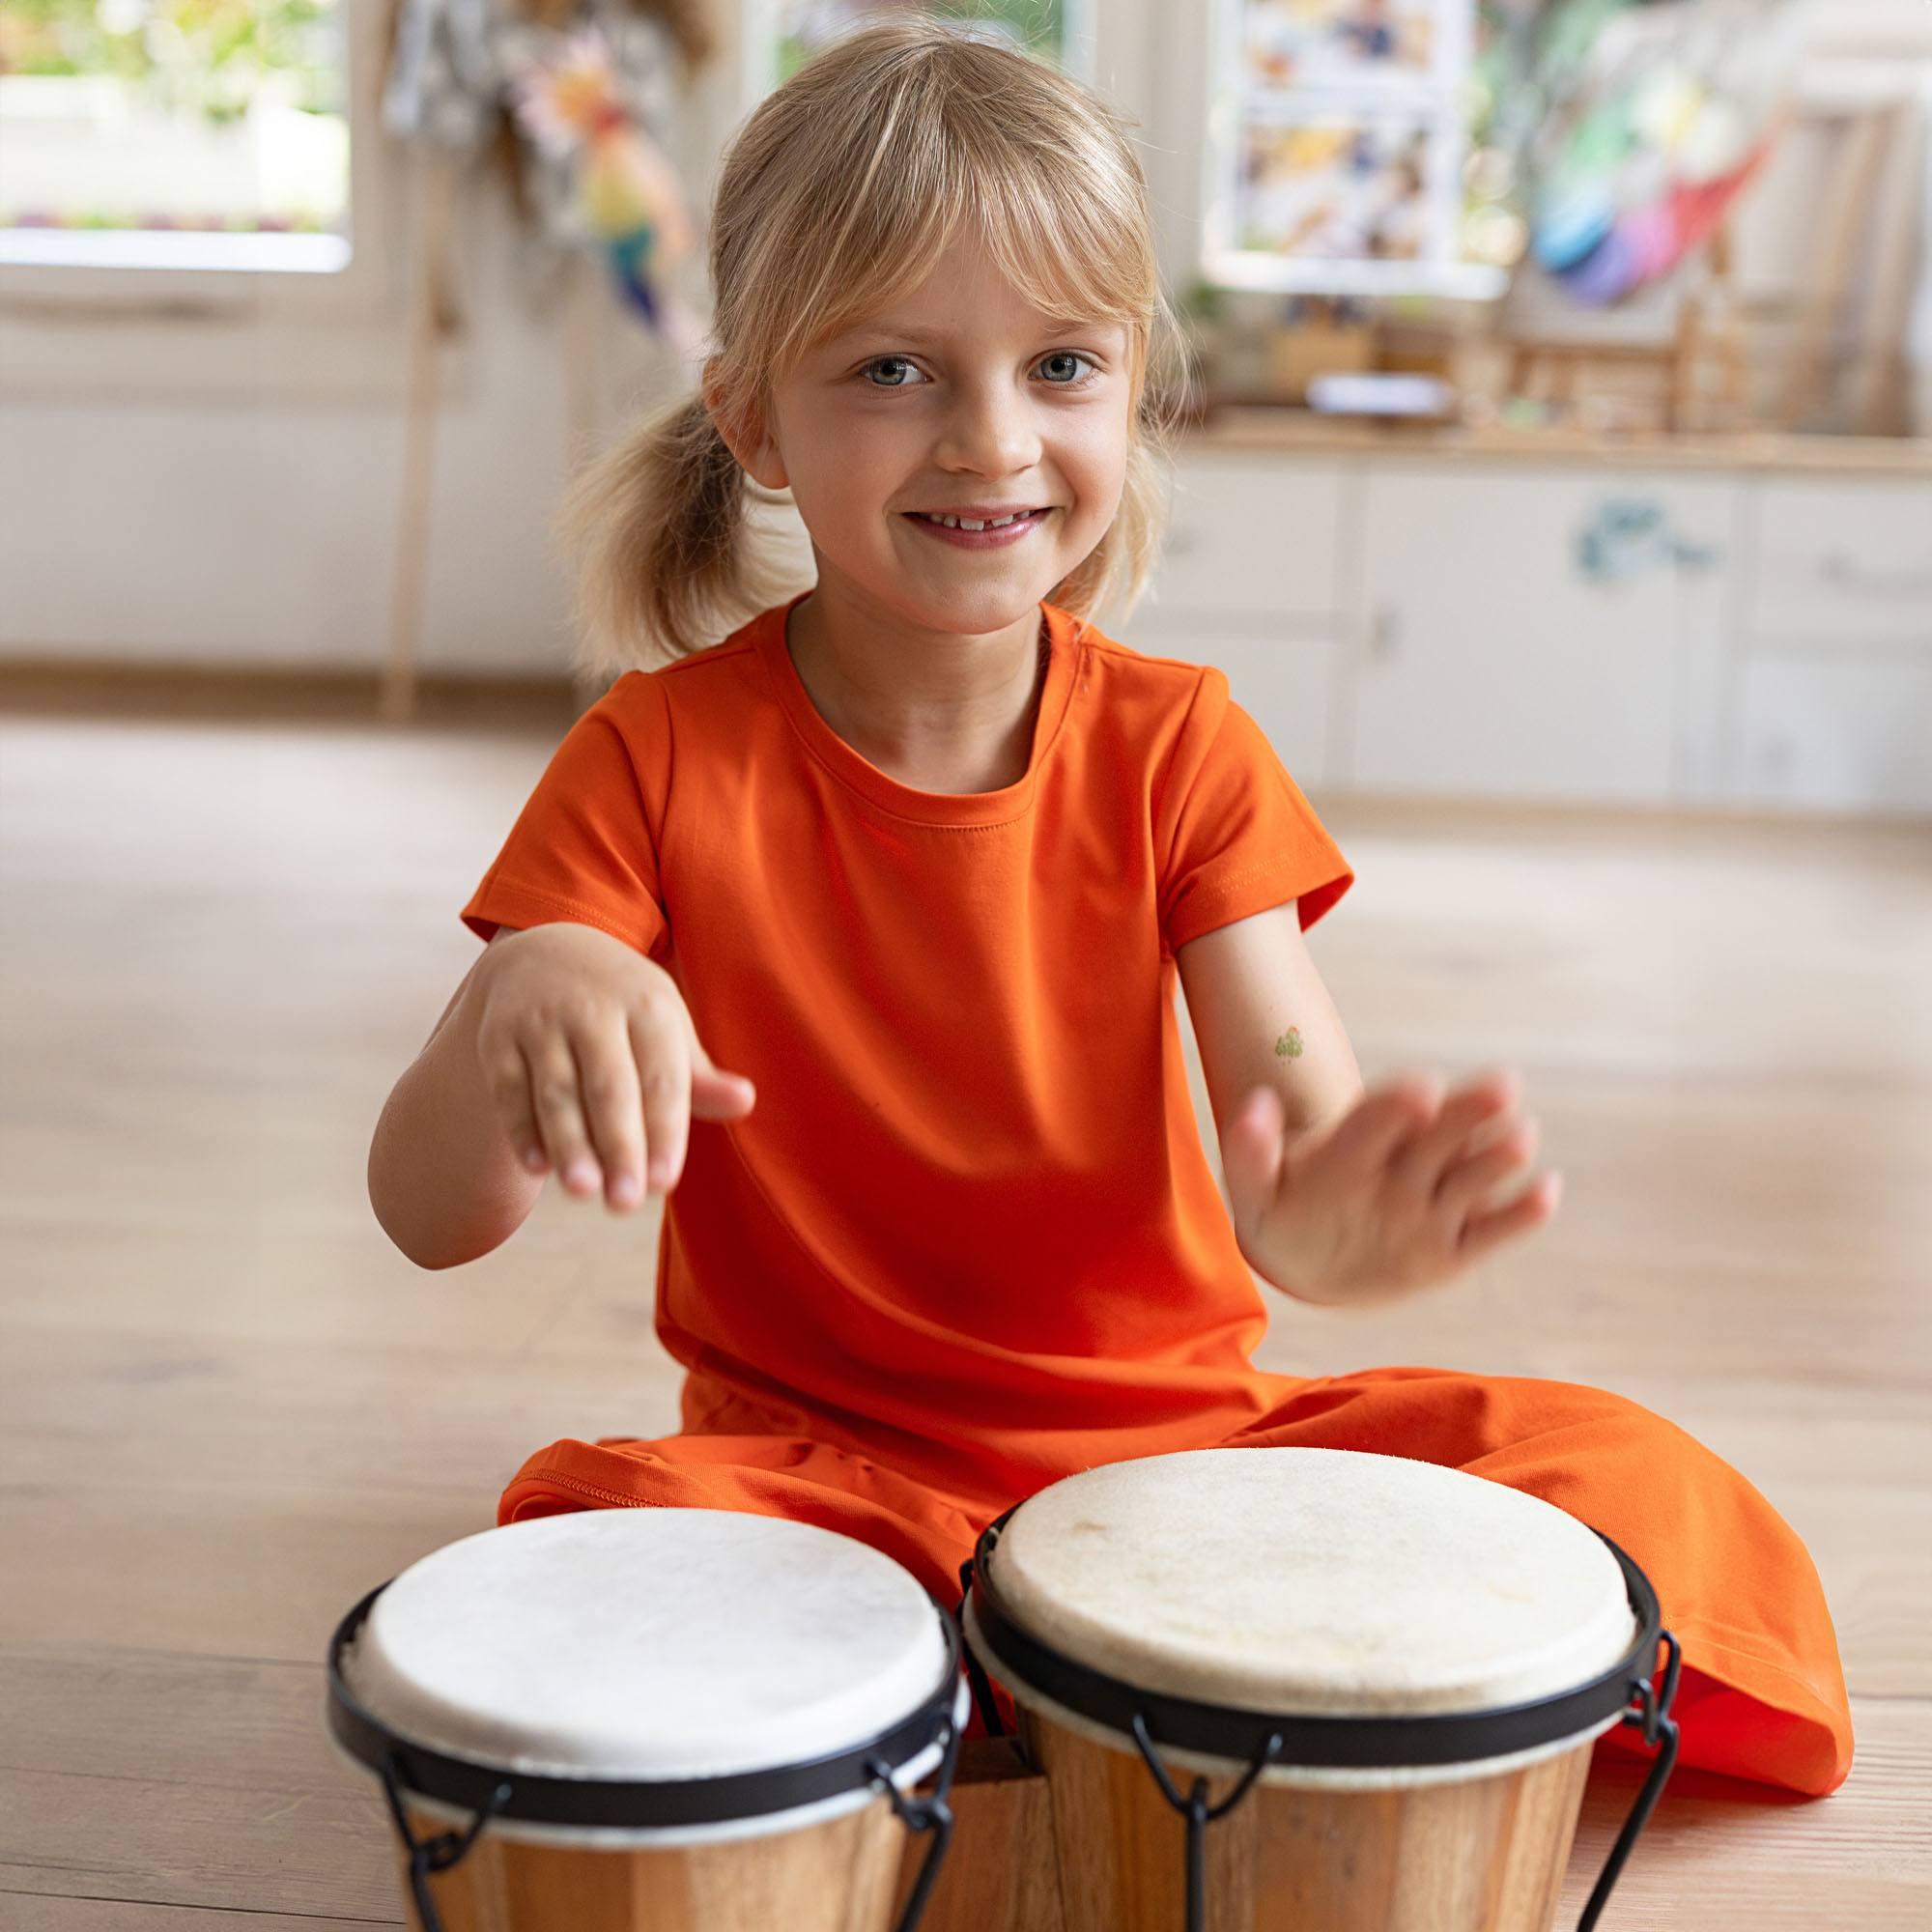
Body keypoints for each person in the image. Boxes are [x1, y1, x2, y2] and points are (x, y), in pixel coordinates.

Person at [366, 17, 1851, 1799]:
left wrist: (1327, 1231)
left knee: (1634, 1476)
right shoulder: (655, 757)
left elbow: (1291, 1138)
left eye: (1060, 362)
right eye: (895, 370)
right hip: (819, 1475)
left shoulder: (1183, 747)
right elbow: (426, 1216)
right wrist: (531, 975)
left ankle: (1018, 1675)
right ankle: (1088, 1683)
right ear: (752, 414)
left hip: (1182, 1466)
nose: (990, 440)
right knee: (591, 1524)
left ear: (1133, 386)